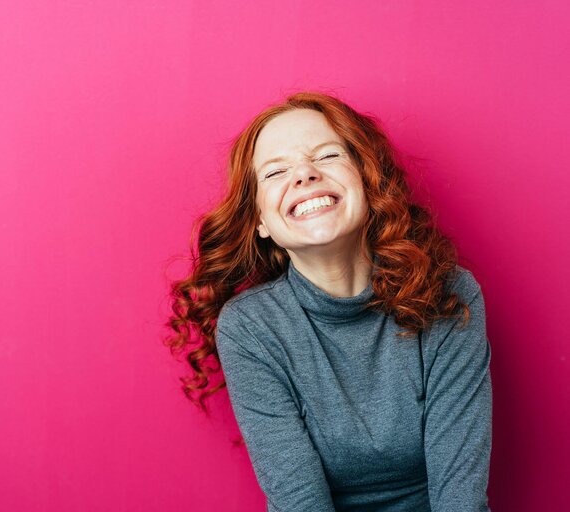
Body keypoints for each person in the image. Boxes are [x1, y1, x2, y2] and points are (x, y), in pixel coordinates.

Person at [164, 91, 493, 511]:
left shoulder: (448, 293)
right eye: (276, 171)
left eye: (326, 156)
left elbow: (460, 496)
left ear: (367, 181)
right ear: (261, 222)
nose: (303, 175)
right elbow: (299, 500)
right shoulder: (250, 327)